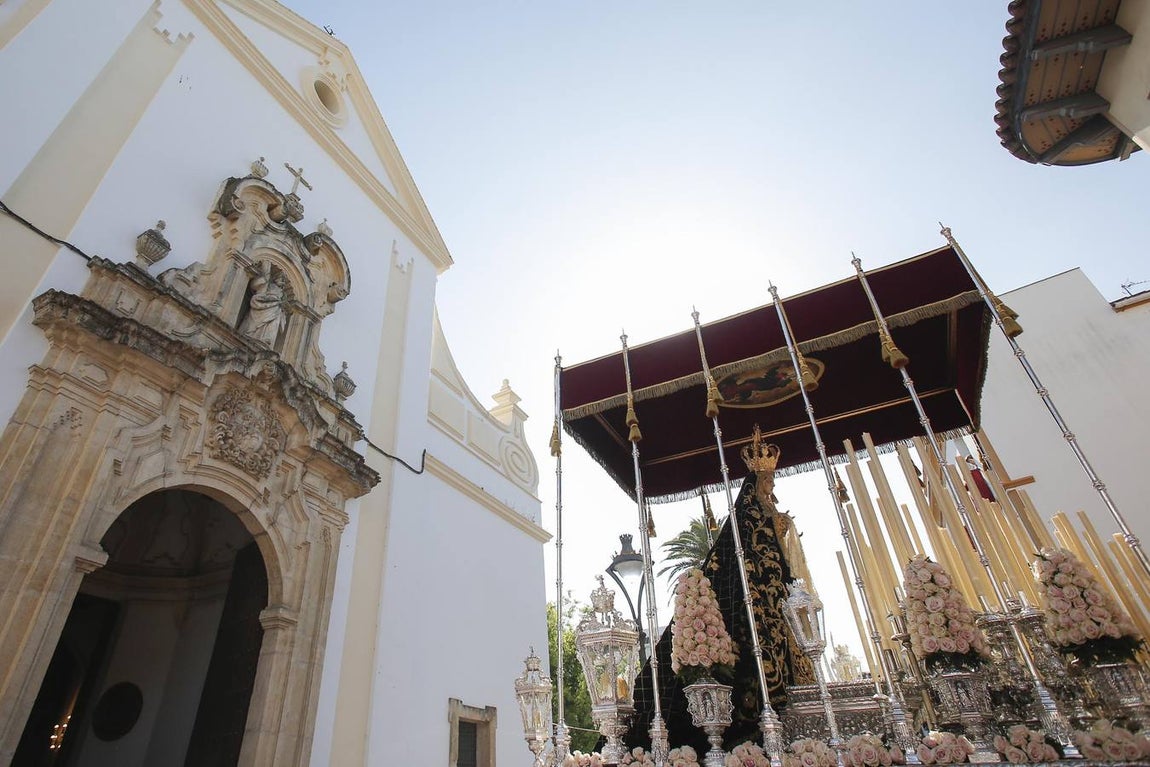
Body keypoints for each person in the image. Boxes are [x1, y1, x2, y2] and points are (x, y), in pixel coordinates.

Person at [240, 270, 286, 347]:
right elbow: (255, 287)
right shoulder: (269, 285)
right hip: (264, 304)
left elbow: (285, 304)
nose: (283, 281)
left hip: (275, 309)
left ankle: (266, 339)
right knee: (255, 323)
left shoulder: (283, 294)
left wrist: (281, 305)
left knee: (273, 322)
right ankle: (253, 334)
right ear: (276, 279)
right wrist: (263, 280)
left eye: (283, 280)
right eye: (281, 278)